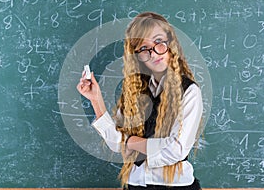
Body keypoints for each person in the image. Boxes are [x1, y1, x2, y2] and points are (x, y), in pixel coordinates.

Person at [77, 12, 203, 190]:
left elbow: (176, 150)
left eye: (159, 42)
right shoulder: (134, 92)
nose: (154, 54)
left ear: (171, 43)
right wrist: (96, 100)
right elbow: (115, 144)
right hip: (135, 184)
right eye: (144, 49)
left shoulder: (189, 91)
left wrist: (130, 142)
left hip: (174, 186)